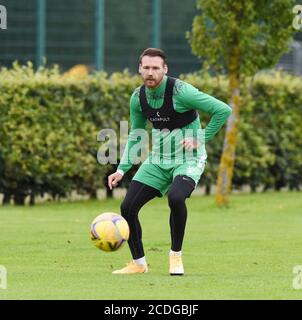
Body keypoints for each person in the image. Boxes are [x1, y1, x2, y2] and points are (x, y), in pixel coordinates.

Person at [108, 48, 231, 275]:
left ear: (165, 70)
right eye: (146, 67)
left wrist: (201, 137)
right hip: (158, 160)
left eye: (156, 68)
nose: (150, 73)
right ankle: (139, 264)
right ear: (140, 69)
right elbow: (137, 134)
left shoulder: (182, 92)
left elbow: (223, 110)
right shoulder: (138, 97)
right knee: (127, 207)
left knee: (176, 197)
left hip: (188, 159)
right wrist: (122, 169)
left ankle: (175, 257)